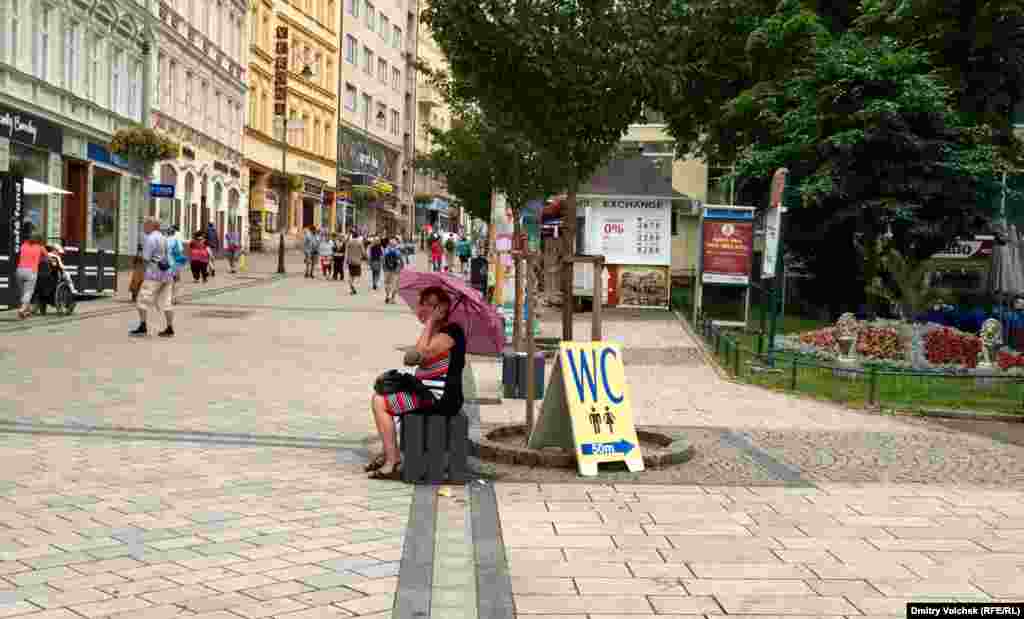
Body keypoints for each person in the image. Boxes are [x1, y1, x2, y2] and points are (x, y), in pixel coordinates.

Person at [366, 286, 466, 479]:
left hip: (440, 398)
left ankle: (393, 461)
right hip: (426, 392)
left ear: (442, 309)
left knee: (379, 402)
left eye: (430, 305)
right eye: (422, 303)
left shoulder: (451, 333)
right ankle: (388, 452)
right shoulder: (437, 332)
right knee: (382, 393)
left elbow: (414, 357)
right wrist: (431, 325)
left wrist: (429, 323)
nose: (422, 309)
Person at [131, 217, 176, 337]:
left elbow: (146, 258)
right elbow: (167, 255)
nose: (144, 227)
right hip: (167, 273)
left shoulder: (150, 238)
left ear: (152, 226)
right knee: (166, 301)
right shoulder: (163, 238)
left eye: (145, 224)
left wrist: (143, 273)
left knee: (141, 299)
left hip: (154, 274)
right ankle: (169, 328)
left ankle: (143, 326)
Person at [15, 234, 48, 320]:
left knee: (23, 292)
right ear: (39, 241)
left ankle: (26, 310)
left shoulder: (23, 245)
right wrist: (41, 260)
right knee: (28, 292)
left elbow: (19, 254)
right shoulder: (40, 247)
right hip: (31, 271)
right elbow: (47, 257)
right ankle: (22, 309)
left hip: (19, 270)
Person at [382, 237, 404, 304]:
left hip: (387, 269)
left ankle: (387, 295)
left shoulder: (386, 250)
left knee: (387, 283)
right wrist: (401, 267)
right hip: (395, 270)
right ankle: (393, 298)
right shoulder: (397, 251)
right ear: (395, 244)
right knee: (395, 284)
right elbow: (401, 261)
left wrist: (384, 268)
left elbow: (383, 260)